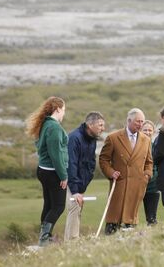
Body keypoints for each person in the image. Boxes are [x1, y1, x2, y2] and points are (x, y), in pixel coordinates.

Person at [99, 108, 153, 235]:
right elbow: (103, 159)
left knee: (131, 221)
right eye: (137, 122)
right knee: (114, 219)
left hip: (137, 185)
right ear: (129, 121)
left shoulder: (146, 140)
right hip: (119, 184)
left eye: (142, 122)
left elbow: (149, 162)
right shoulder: (113, 138)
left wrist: (147, 175)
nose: (140, 125)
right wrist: (111, 172)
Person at [25, 96, 68, 247]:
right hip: (53, 172)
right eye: (63, 110)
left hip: (43, 170)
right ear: (57, 109)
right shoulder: (54, 127)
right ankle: (44, 238)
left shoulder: (44, 124)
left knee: (49, 205)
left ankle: (44, 237)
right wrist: (63, 176)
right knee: (58, 206)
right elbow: (56, 154)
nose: (64, 114)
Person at [64, 111, 105, 241]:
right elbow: (71, 164)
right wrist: (75, 190)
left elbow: (91, 162)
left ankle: (69, 241)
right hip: (71, 182)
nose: (103, 129)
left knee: (77, 210)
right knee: (74, 208)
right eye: (100, 125)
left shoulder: (92, 139)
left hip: (81, 183)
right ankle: (72, 242)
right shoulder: (74, 138)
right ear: (90, 124)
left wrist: (86, 180)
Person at [141, 120, 160, 226]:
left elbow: (157, 165)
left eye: (150, 130)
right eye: (145, 130)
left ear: (153, 132)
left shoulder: (155, 146)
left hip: (153, 186)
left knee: (152, 218)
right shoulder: (135, 146)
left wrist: (151, 177)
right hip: (137, 186)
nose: (147, 132)